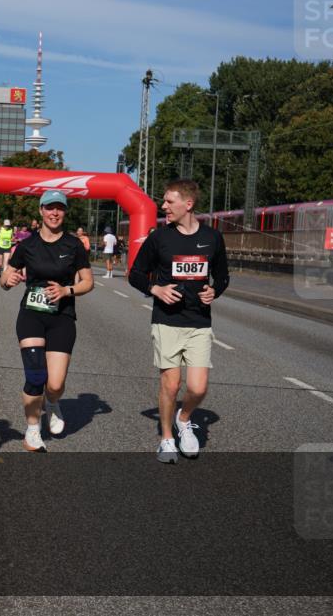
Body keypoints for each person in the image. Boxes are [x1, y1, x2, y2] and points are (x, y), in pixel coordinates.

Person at [128, 179, 229, 464]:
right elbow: (136, 273)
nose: (163, 207)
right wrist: (155, 289)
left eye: (169, 202)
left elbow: (222, 275)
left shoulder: (212, 238)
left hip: (199, 322)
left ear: (188, 204)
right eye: (163, 201)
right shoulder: (160, 238)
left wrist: (214, 290)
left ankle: (183, 419)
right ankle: (166, 438)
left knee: (198, 388)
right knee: (171, 386)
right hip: (167, 320)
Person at [0, 190, 93, 452]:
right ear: (40, 210)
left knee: (55, 383)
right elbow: (6, 278)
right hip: (31, 315)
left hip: (62, 317)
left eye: (59, 209)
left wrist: (67, 291)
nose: (54, 213)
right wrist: (8, 280)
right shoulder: (27, 245)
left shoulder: (73, 245)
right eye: (49, 208)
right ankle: (32, 429)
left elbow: (88, 281)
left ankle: (52, 403)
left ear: (64, 212)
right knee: (35, 374)